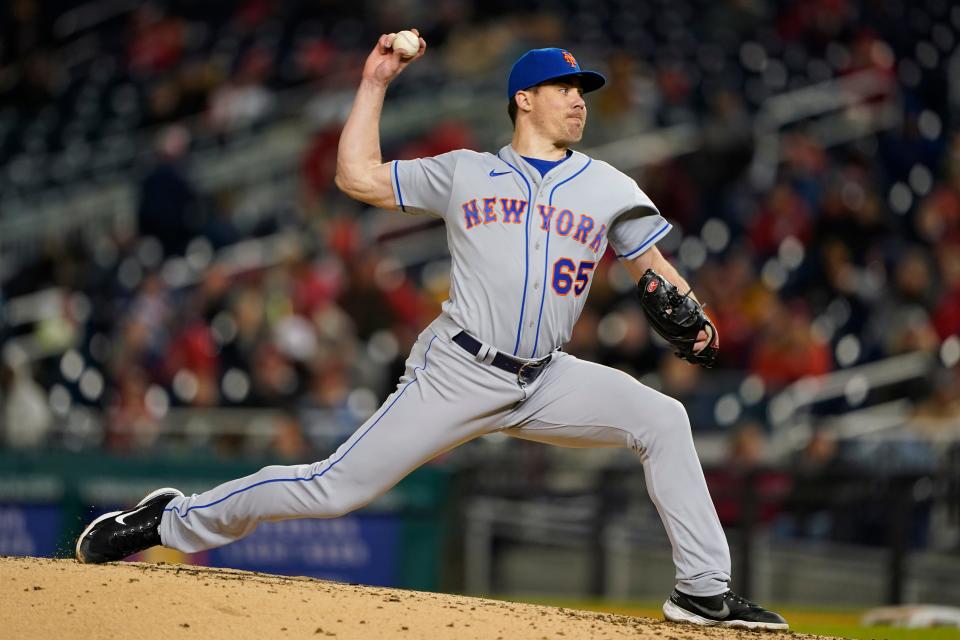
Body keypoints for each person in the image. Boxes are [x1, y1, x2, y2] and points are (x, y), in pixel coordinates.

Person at [76, 31, 787, 630]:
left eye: (583, 91)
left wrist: (694, 316)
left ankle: (701, 588)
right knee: (333, 489)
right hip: (458, 372)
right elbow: (356, 177)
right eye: (565, 88)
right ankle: (172, 519)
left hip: (546, 377)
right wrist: (375, 82)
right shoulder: (465, 174)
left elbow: (655, 267)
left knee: (662, 419)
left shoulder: (608, 185)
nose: (579, 100)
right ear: (524, 98)